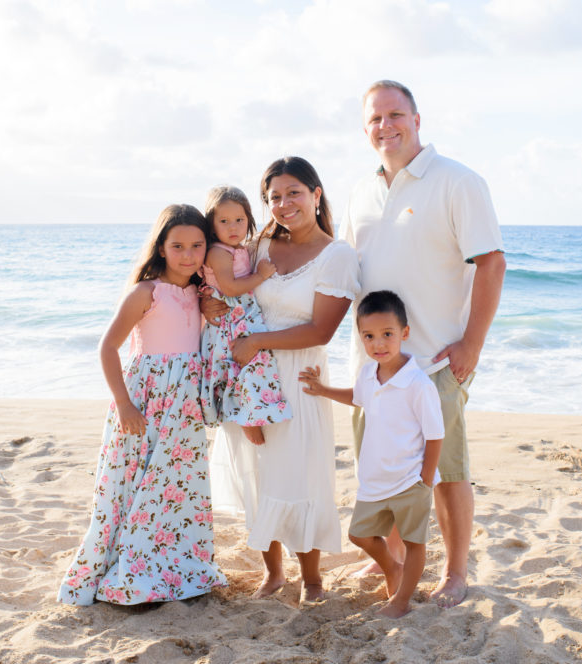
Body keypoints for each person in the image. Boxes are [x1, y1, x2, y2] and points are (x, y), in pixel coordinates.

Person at [341, 80, 506, 608]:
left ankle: (455, 574)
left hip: (435, 362)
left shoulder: (457, 182)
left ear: (417, 119)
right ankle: (393, 562)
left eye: (395, 115)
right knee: (386, 471)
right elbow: (342, 269)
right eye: (374, 119)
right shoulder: (361, 193)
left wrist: (471, 344)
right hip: (373, 367)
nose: (385, 126)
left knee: (444, 473)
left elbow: (491, 262)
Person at [208, 157, 360, 603]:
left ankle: (312, 581)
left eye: (293, 192)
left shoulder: (338, 255)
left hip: (300, 378)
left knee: (301, 476)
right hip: (249, 378)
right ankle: (273, 574)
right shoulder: (257, 247)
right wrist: (207, 306)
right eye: (274, 196)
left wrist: (257, 341)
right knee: (259, 474)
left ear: (316, 194)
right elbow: (227, 294)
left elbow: (322, 330)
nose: (284, 203)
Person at [58, 204, 227, 606]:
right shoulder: (145, 292)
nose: (188, 254)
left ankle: (173, 565)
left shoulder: (200, 292)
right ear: (162, 248)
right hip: (144, 401)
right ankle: (129, 568)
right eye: (178, 246)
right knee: (134, 483)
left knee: (175, 488)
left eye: (197, 245)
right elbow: (108, 347)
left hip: (184, 407)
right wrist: (124, 404)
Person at [299, 290, 443, 618]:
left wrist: (425, 479)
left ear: (404, 334)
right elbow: (358, 397)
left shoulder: (418, 384)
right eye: (369, 336)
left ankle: (402, 601)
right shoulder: (367, 372)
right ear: (361, 338)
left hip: (410, 480)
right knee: (359, 533)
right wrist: (322, 390)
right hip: (375, 480)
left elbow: (436, 436)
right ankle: (392, 569)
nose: (379, 344)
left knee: (414, 543)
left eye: (387, 335)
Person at [200, 185, 292, 445]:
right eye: (224, 221)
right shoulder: (218, 252)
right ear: (212, 225)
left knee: (247, 366)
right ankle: (248, 419)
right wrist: (260, 276)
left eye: (239, 220)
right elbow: (229, 287)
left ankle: (250, 413)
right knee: (246, 365)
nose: (233, 227)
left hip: (240, 313)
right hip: (231, 316)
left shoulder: (239, 248)